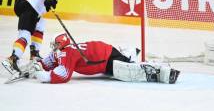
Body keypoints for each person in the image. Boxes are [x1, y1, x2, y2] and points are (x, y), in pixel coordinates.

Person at [2, 0, 72, 75]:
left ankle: (35, 54)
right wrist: (52, 0)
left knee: (40, 24)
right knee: (25, 34)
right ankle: (12, 60)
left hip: (20, 2)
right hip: (30, 6)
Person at [32, 33, 180, 84]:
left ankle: (164, 72)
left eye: (56, 44)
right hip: (106, 51)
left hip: (107, 60)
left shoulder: (66, 53)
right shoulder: (64, 50)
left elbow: (64, 74)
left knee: (130, 72)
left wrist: (45, 76)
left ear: (62, 44)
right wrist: (37, 65)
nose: (54, 47)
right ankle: (128, 53)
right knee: (125, 64)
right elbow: (50, 61)